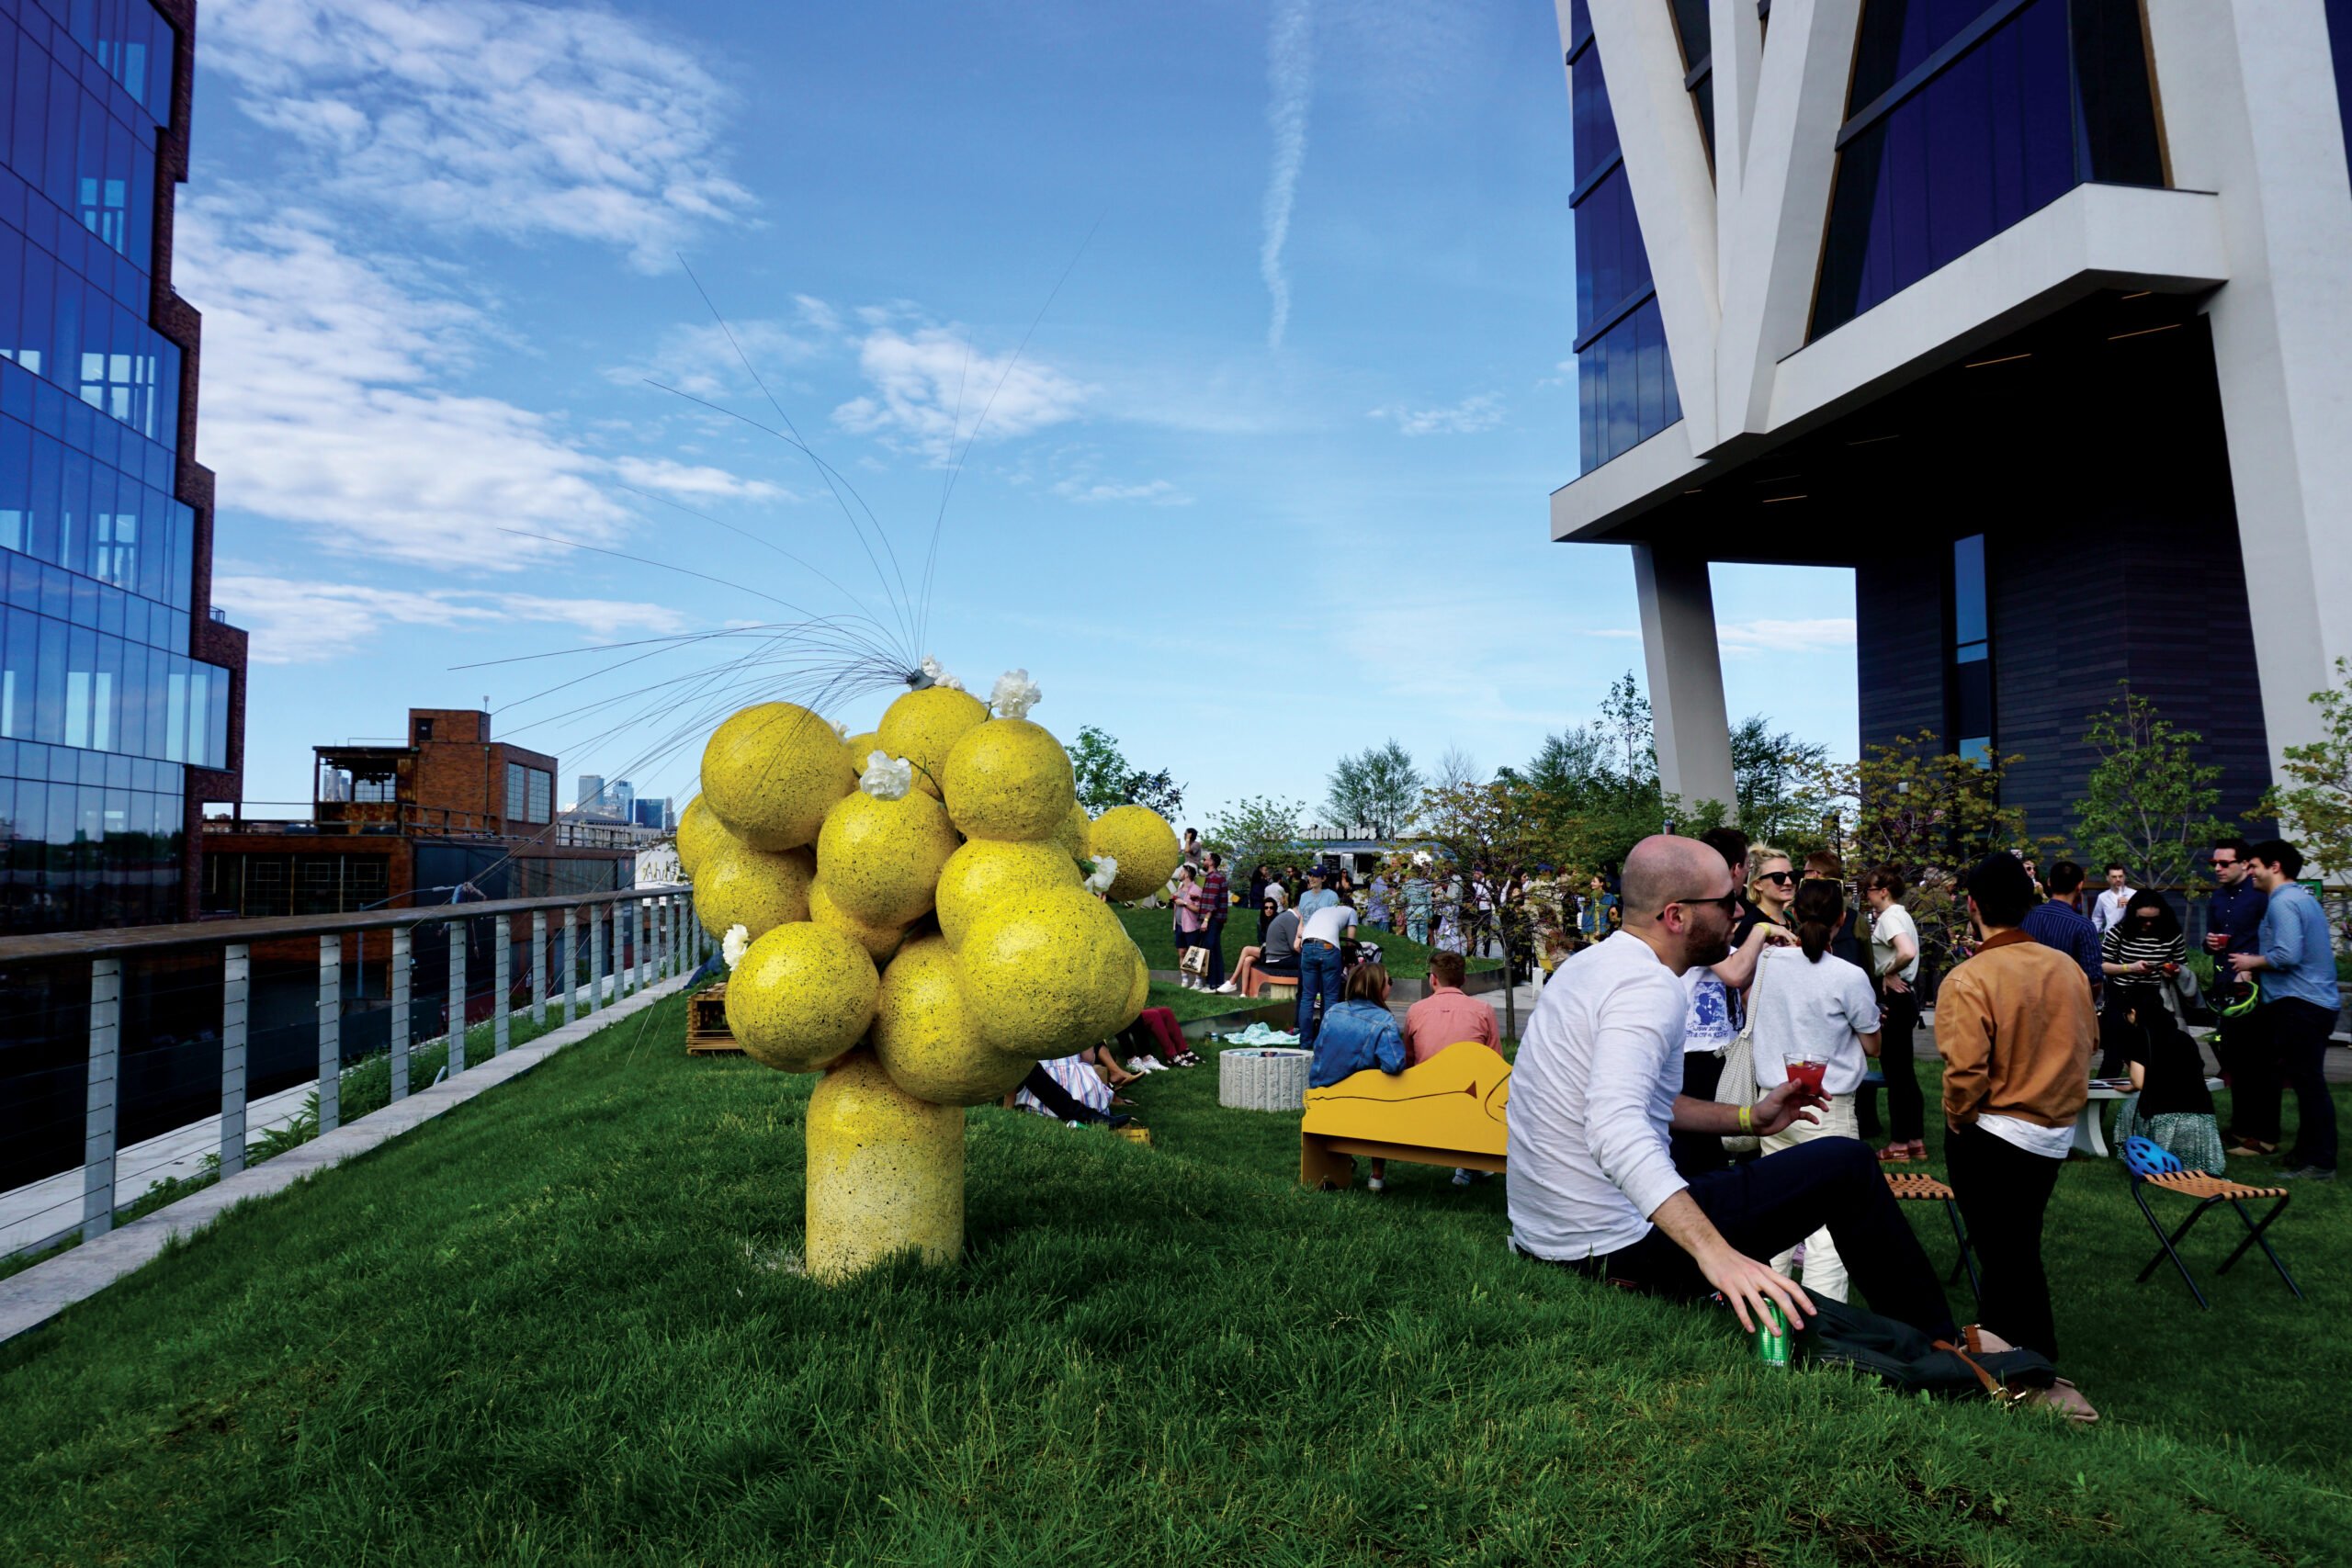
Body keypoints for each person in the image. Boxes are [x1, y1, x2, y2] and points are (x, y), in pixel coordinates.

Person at [1506, 833, 1960, 1346]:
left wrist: (1749, 1118)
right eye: (1726, 903)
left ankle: (1931, 1343)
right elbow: (1614, 1128)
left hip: (1552, 1239)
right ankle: (1944, 1348)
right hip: (1611, 1250)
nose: (1738, 915)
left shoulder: (1592, 966)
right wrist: (1716, 1255)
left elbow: (1651, 1105)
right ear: (1676, 916)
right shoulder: (1647, 988)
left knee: (1834, 1162)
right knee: (1849, 1166)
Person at [1938, 852, 2097, 1362]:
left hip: (1994, 1131)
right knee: (2013, 1246)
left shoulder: (1970, 977)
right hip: (2051, 1132)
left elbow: (1965, 1072)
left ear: (1972, 905)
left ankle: (2029, 1356)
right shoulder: (2067, 968)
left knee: (2007, 1255)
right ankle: (2006, 1344)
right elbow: (2087, 1041)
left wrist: (1958, 1120)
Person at [1750, 878, 1883, 1303]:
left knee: (1775, 1209)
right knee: (1828, 1223)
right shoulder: (1849, 976)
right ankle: (1822, 1320)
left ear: (1794, 914)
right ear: (1841, 920)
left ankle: (1767, 1306)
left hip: (1771, 1099)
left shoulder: (1767, 963)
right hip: (1827, 1105)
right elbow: (1872, 1044)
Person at [1672, 829, 1796, 1179]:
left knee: (1715, 1149)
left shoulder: (1713, 904)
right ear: (1739, 868)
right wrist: (1760, 933)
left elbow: (1741, 987)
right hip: (1694, 1051)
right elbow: (1733, 973)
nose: (1737, 915)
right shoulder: (1699, 907)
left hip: (1722, 1047)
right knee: (1692, 1148)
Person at [2227, 839, 2338, 1180]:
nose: (2249, 872)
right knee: (2306, 1082)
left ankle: (2320, 1163)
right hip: (2311, 1003)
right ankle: (2304, 1153)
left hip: (2300, 1004)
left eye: (2253, 865)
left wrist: (2251, 961)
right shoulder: (2301, 898)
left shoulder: (2283, 902)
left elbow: (2287, 955)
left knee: (2309, 1084)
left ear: (2274, 866)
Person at [1308, 962, 1408, 1190]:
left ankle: (1341, 1159)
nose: (1390, 986)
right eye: (1389, 981)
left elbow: (1319, 1048)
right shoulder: (1384, 1021)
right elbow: (1394, 1065)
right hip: (1362, 1104)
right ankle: (1377, 1176)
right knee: (1383, 1092)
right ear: (1378, 988)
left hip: (1322, 1095)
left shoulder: (1333, 1012)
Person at [2108, 997, 2225, 1174]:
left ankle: (2142, 1158)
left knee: (2129, 1108)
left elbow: (2139, 1082)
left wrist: (2133, 1081)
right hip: (2201, 1114)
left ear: (2133, 1012)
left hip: (2163, 1113)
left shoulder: (2141, 1035)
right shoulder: (2184, 1038)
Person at [1860, 866, 1926, 1163]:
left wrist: (1888, 971)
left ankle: (1899, 1143)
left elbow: (1907, 951)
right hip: (1907, 998)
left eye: (1869, 890)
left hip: (1896, 1000)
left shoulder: (1889, 917)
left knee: (1896, 1074)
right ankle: (1914, 1140)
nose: (1866, 895)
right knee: (1905, 1074)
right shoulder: (1903, 914)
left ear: (1883, 891)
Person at [2201, 838, 2267, 1110]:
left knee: (2256, 1058)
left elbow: (2273, 941)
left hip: (2255, 983)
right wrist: (2210, 942)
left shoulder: (2260, 895)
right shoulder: (2216, 897)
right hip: (2225, 983)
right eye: (2214, 863)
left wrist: (2252, 963)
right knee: (2231, 1054)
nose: (2218, 868)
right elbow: (2206, 944)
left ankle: (2256, 1125)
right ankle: (2241, 1124)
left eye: (2224, 863)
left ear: (2243, 864)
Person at [2099, 890, 2187, 1072]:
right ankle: (2102, 1097)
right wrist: (2130, 967)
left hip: (2153, 997)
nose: (2148, 923)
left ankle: (2147, 1096)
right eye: (2142, 919)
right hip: (2121, 995)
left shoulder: (2172, 935)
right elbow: (2101, 965)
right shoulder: (2119, 932)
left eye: (2154, 920)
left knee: (2153, 1053)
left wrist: (2172, 970)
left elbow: (2181, 965)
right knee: (2114, 1056)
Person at [2020, 860, 2104, 1004]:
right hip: (2067, 1005)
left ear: (2049, 882)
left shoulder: (2026, 917)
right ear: (2080, 885)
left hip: (2027, 1001)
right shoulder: (2084, 926)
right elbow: (2094, 980)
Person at [1401, 950, 1499, 1064]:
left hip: (1426, 1079)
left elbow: (1408, 1058)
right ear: (1464, 979)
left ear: (1433, 979)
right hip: (1470, 1080)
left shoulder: (1416, 1011)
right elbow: (1495, 1060)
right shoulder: (1484, 1010)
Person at [1296, 890, 1356, 1047]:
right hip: (1328, 947)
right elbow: (1350, 941)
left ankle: (1305, 1042)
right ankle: (1325, 1042)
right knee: (1329, 996)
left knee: (1307, 997)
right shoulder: (1351, 911)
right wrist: (1349, 959)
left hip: (1307, 946)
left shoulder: (1322, 910)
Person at [1225, 897, 1302, 997]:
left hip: (1272, 951)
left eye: (1271, 908)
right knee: (1247, 960)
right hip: (1267, 950)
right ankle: (1243, 993)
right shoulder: (1260, 921)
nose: (1269, 910)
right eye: (1266, 908)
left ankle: (1232, 981)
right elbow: (1261, 940)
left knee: (1246, 949)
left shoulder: (1279, 919)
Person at [1198, 852, 1231, 991]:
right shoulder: (1216, 878)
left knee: (1210, 949)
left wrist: (1206, 920)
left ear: (1211, 862)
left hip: (1213, 920)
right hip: (1217, 919)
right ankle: (1217, 982)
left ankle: (1212, 984)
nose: (1203, 861)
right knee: (1215, 949)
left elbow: (1212, 902)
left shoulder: (1214, 878)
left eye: (1205, 859)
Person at [1170, 863, 1206, 989]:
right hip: (1179, 926)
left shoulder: (1196, 890)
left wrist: (1184, 903)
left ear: (1186, 874)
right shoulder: (1180, 889)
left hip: (1191, 926)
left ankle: (1198, 981)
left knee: (1194, 953)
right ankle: (1184, 980)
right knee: (1181, 952)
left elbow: (1199, 909)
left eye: (1181, 872)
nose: (1179, 874)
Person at [1747, 845, 1796, 929]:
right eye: (1778, 877)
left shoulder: (1790, 919)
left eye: (1792, 875)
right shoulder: (1752, 927)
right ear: (1758, 884)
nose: (1789, 882)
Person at [2092, 864, 2134, 939]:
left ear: (2124, 877)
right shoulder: (2103, 897)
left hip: (2130, 938)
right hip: (2110, 938)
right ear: (2107, 878)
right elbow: (2097, 917)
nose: (2118, 879)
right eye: (2114, 877)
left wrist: (2131, 905)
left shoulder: (2134, 894)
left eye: (2120, 876)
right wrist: (2096, 932)